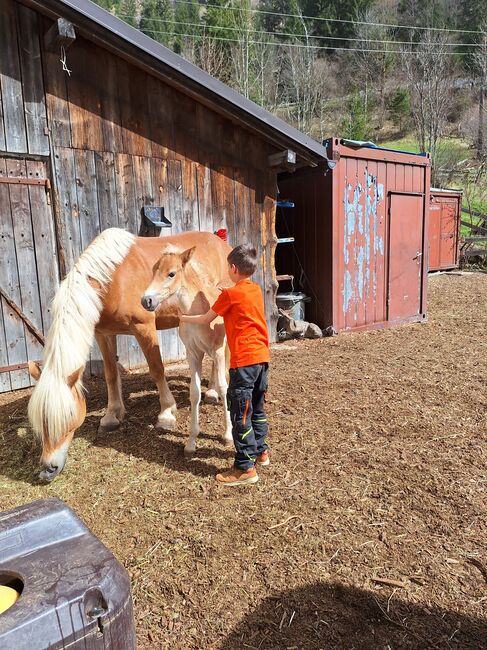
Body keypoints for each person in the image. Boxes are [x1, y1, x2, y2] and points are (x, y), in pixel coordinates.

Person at [178, 243, 270, 486]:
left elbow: (208, 318)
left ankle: (244, 469)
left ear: (232, 268)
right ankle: (262, 452)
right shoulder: (256, 290)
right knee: (257, 409)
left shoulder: (229, 295)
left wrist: (183, 317)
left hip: (243, 363)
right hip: (262, 359)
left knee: (240, 415)